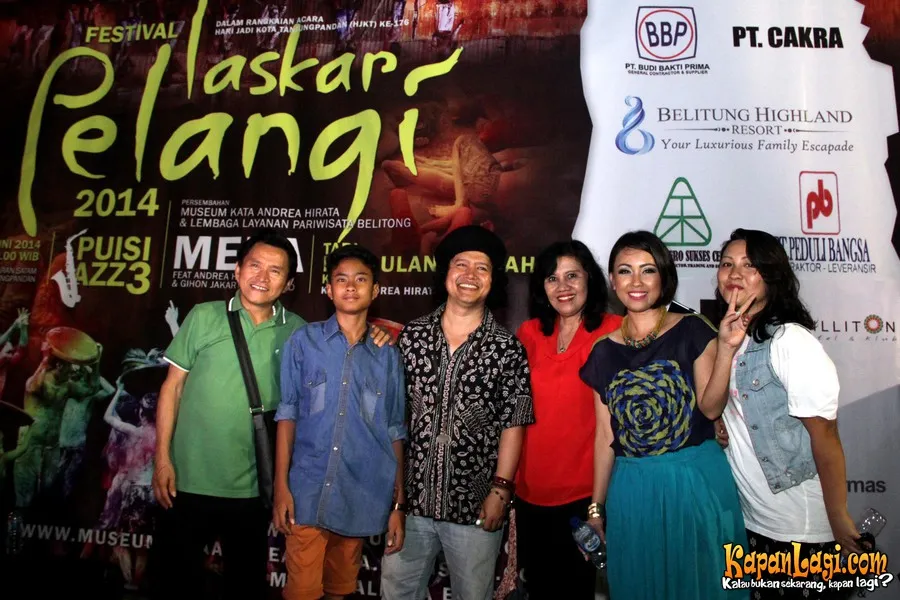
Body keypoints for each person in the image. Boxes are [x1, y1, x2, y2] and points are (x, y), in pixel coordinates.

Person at [578, 230, 748, 600]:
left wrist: (725, 349)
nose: (636, 282)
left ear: (664, 277)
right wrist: (596, 509)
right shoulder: (602, 351)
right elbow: (605, 438)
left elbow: (711, 407)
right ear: (612, 281)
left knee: (702, 586)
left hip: (694, 482)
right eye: (625, 271)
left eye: (648, 270)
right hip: (633, 490)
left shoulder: (692, 329)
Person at [148, 229, 306, 600]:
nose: (262, 277)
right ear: (237, 270)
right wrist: (162, 459)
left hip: (252, 488)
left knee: (244, 588)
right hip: (185, 481)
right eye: (254, 265)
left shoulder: (298, 331)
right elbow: (172, 388)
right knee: (173, 585)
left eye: (275, 271)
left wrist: (375, 337)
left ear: (288, 283)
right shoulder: (204, 316)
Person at [381, 225, 535, 600]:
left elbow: (514, 423)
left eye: (482, 268)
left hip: (475, 507)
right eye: (461, 264)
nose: (470, 275)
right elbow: (394, 420)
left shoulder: (507, 348)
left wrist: (500, 491)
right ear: (446, 273)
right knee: (397, 593)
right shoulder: (412, 337)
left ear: (493, 280)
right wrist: (396, 499)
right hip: (411, 504)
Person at [714, 229, 861, 600]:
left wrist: (839, 516)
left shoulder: (790, 341)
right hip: (752, 522)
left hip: (801, 528)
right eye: (727, 264)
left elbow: (825, 436)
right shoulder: (731, 339)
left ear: (771, 274)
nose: (735, 273)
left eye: (749, 265)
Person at [273, 245, 407, 600]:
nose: (350, 286)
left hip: (359, 494)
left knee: (339, 591)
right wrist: (281, 487)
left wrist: (398, 504)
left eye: (360, 280)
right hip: (306, 492)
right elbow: (287, 415)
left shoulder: (387, 355)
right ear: (328, 290)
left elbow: (394, 429)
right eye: (341, 279)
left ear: (374, 291)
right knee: (301, 593)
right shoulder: (304, 342)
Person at [513, 240, 622, 599]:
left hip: (586, 495)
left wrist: (597, 507)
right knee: (540, 590)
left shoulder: (616, 330)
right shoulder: (529, 333)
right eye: (552, 278)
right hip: (530, 494)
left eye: (572, 276)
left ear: (590, 279)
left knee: (576, 590)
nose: (563, 287)